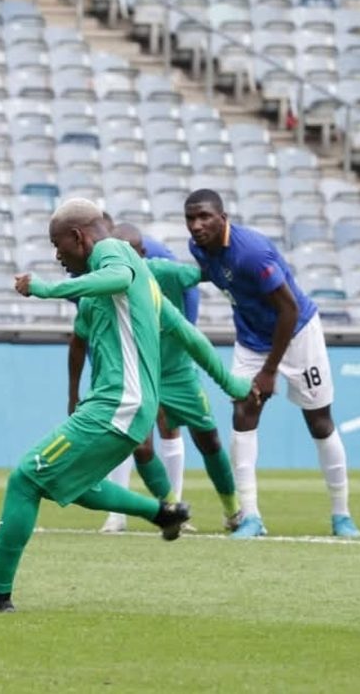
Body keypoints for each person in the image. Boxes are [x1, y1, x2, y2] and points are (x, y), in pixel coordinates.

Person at [0, 199, 191, 613]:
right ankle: (163, 513)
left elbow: (116, 276)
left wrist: (44, 288)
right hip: (125, 406)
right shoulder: (109, 270)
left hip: (117, 404)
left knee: (26, 479)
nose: (57, 256)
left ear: (78, 237)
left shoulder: (110, 253)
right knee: (75, 484)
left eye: (57, 245)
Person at [184, 188, 360, 539]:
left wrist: (269, 371)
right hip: (251, 338)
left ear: (224, 216)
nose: (197, 225)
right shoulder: (198, 248)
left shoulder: (252, 252)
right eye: (190, 218)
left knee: (319, 420)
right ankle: (250, 516)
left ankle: (342, 516)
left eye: (205, 216)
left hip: (297, 334)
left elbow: (289, 309)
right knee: (242, 412)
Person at [74, 223, 245, 533]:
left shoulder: (165, 273)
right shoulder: (102, 287)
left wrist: (237, 274)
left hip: (179, 372)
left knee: (208, 438)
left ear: (141, 254)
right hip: (140, 375)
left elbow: (206, 274)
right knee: (140, 448)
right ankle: (171, 509)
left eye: (129, 253)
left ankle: (233, 510)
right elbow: (80, 338)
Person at [96, 223, 202, 531]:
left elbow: (188, 290)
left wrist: (180, 337)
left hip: (162, 348)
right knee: (126, 428)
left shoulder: (156, 256)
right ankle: (119, 514)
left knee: (167, 424)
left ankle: (176, 505)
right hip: (124, 347)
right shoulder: (94, 261)